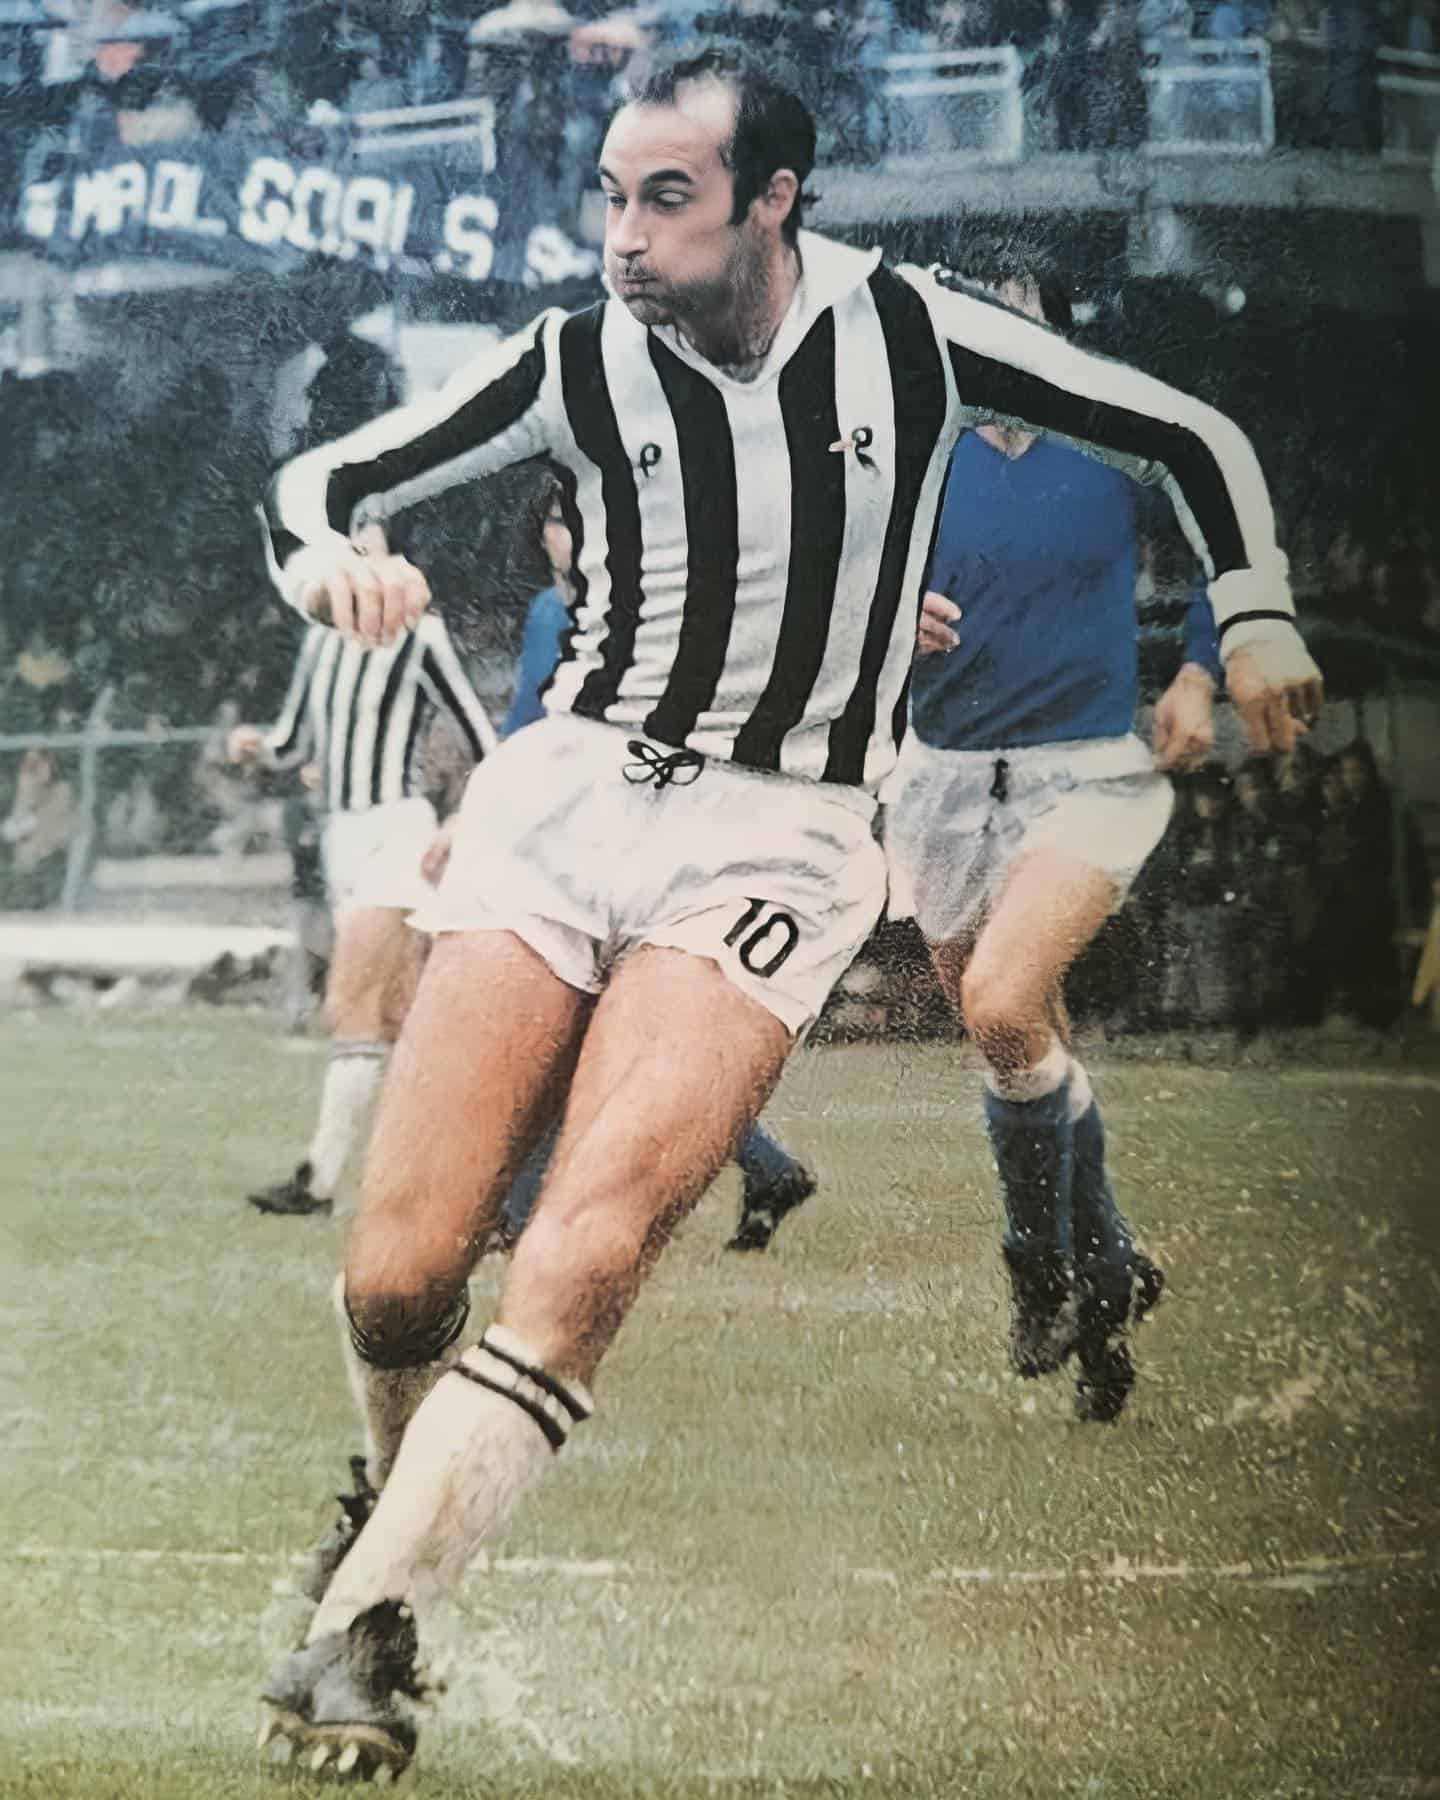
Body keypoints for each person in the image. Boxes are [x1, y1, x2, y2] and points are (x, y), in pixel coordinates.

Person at [253, 48, 1321, 1778]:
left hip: (779, 837)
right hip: (568, 796)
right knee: (396, 1281)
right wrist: (328, 559)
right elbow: (326, 482)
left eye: (666, 197)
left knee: (589, 1249)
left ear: (773, 200)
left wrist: (1253, 608)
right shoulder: (574, 356)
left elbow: (1190, 434)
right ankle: (385, 1514)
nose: (622, 234)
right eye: (610, 195)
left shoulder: (913, 330)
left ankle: (371, 1628)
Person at [882, 243, 1231, 1424]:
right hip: (938, 778)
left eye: (1015, 318)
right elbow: (826, 583)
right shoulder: (916, 454)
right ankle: (1108, 1276)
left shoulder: (1113, 439)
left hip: (1083, 770)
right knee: (1022, 1046)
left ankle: (1035, 1262)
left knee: (1000, 1006)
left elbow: (1228, 542)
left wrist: (1199, 671)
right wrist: (888, 621)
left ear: (1056, 335)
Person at [498, 477, 818, 1252]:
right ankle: (767, 1168)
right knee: (604, 1033)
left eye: (585, 518)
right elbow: (527, 726)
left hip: (627, 839)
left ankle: (516, 1212)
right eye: (557, 520)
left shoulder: (633, 608)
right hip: (578, 836)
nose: (570, 533)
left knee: (585, 1027)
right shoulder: (555, 612)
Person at [234, 520, 499, 1217]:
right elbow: (293, 742)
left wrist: (460, 819)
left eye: (365, 540)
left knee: (350, 1005)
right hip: (340, 839)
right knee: (403, 1017)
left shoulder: (419, 636)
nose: (350, 554)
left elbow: (483, 741)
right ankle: (464, 1179)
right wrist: (255, 746)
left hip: (395, 835)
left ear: (395, 557)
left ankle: (318, 1181)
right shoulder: (320, 638)